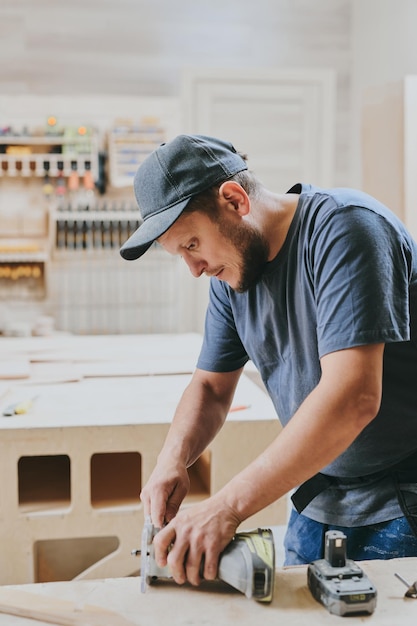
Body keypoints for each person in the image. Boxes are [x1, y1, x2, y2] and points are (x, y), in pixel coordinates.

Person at [120, 134, 417, 586]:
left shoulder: (347, 229)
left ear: (234, 201)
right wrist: (173, 460)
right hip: (313, 497)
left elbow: (353, 396)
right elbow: (210, 387)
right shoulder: (231, 277)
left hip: (400, 502)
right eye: (181, 254)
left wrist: (227, 506)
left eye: (193, 244)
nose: (194, 268)